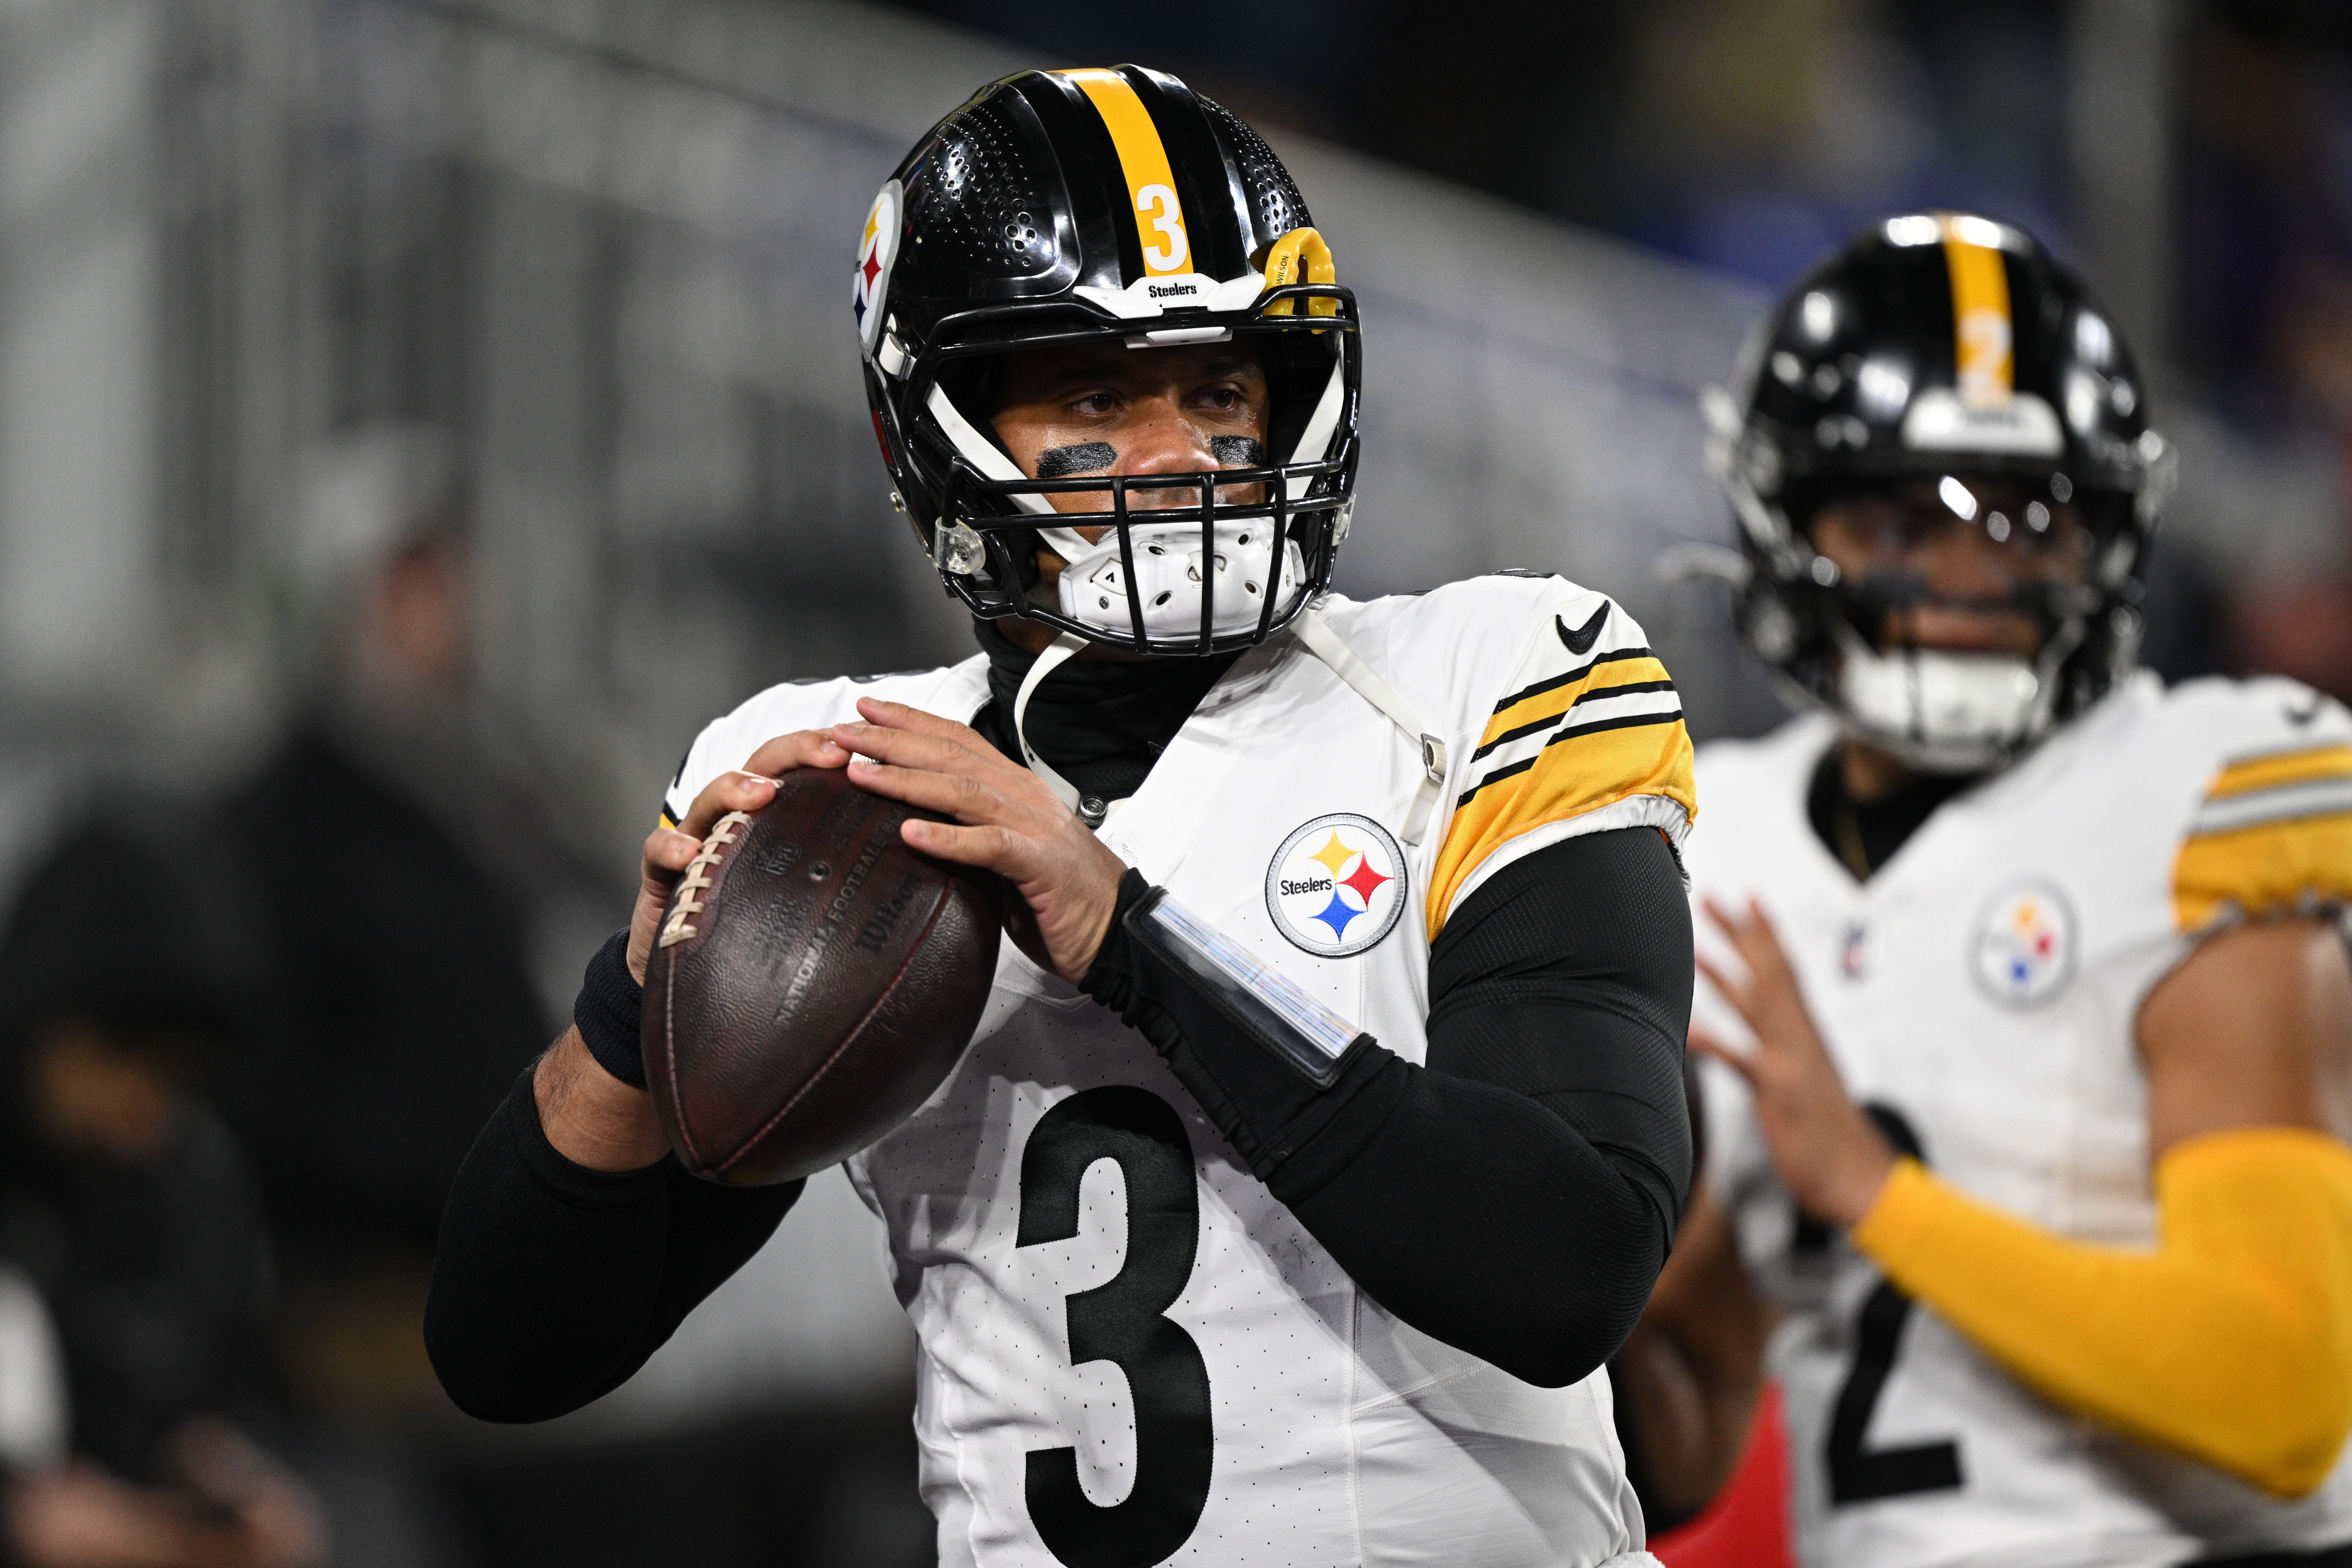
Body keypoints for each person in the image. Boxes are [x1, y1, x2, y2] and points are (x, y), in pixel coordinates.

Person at [428, 65, 1699, 1566]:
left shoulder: (1496, 680)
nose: (1179, 453)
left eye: (1219, 390)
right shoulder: (847, 778)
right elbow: (508, 1356)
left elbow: (1568, 1270)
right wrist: (634, 1005)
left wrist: (1128, 940)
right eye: (1098, 396)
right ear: (936, 431)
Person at [1617, 213, 2352, 1565]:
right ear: (1787, 518)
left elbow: (2282, 1392)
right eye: (1902, 519)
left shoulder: (2198, 798)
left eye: (2022, 521)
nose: (1967, 576)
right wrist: (1573, 1284)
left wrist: (1876, 1192)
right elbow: (1691, 1431)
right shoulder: (1711, 834)